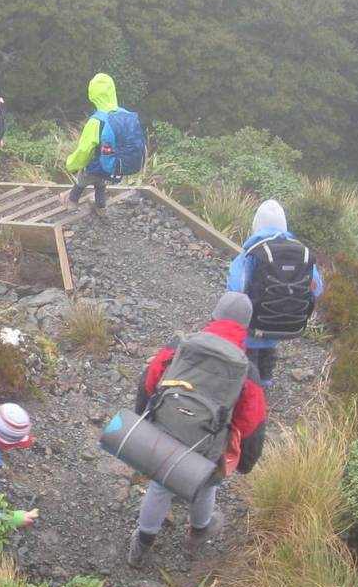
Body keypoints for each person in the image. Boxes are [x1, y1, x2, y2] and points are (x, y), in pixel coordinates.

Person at [126, 292, 267, 567]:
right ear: (246, 329)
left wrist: (141, 422)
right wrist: (246, 462)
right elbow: (251, 422)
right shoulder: (246, 370)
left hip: (165, 430)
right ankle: (198, 532)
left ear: (213, 317)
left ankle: (141, 546)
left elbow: (149, 382)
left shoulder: (180, 346)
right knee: (205, 486)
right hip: (206, 446)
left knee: (161, 484)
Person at [226, 199, 325, 389]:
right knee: (268, 348)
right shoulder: (301, 254)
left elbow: (237, 287)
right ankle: (265, 379)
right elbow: (317, 288)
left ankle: (249, 388)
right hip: (287, 324)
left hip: (254, 325)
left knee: (250, 355)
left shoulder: (251, 254)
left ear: (256, 224)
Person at [65, 72, 122, 211]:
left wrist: (72, 164)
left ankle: (72, 203)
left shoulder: (96, 121)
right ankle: (101, 208)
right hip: (115, 165)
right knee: (101, 185)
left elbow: (84, 150)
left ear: (93, 94)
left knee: (80, 182)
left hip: (96, 165)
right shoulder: (122, 115)